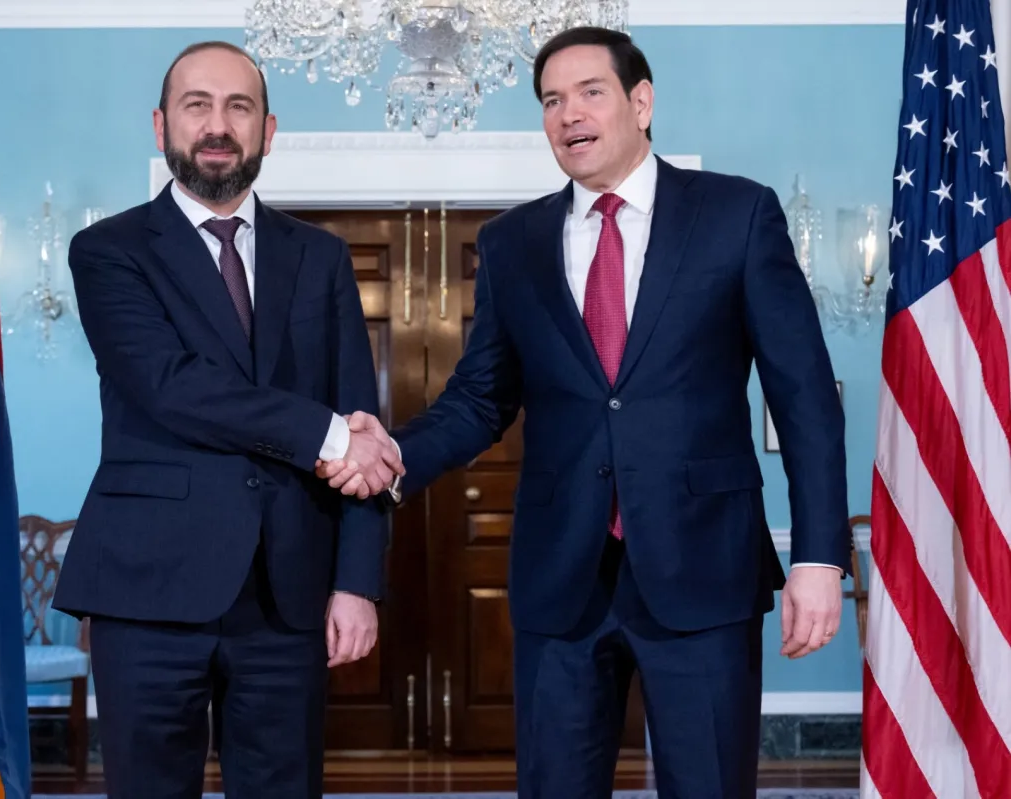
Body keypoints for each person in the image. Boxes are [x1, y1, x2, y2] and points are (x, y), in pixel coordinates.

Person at [318, 26, 850, 799]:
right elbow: (481, 396)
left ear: (641, 102)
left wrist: (818, 558)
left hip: (703, 569)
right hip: (561, 576)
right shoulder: (512, 243)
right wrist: (393, 453)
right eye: (551, 101)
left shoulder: (737, 215)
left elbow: (804, 399)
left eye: (590, 92)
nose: (569, 114)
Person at [52, 40, 403, 799]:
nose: (219, 125)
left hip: (290, 592)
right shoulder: (108, 252)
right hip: (146, 592)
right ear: (161, 126)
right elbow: (171, 386)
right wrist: (329, 435)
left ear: (268, 130)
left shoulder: (322, 258)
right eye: (198, 106)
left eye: (239, 107)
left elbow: (364, 423)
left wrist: (358, 581)